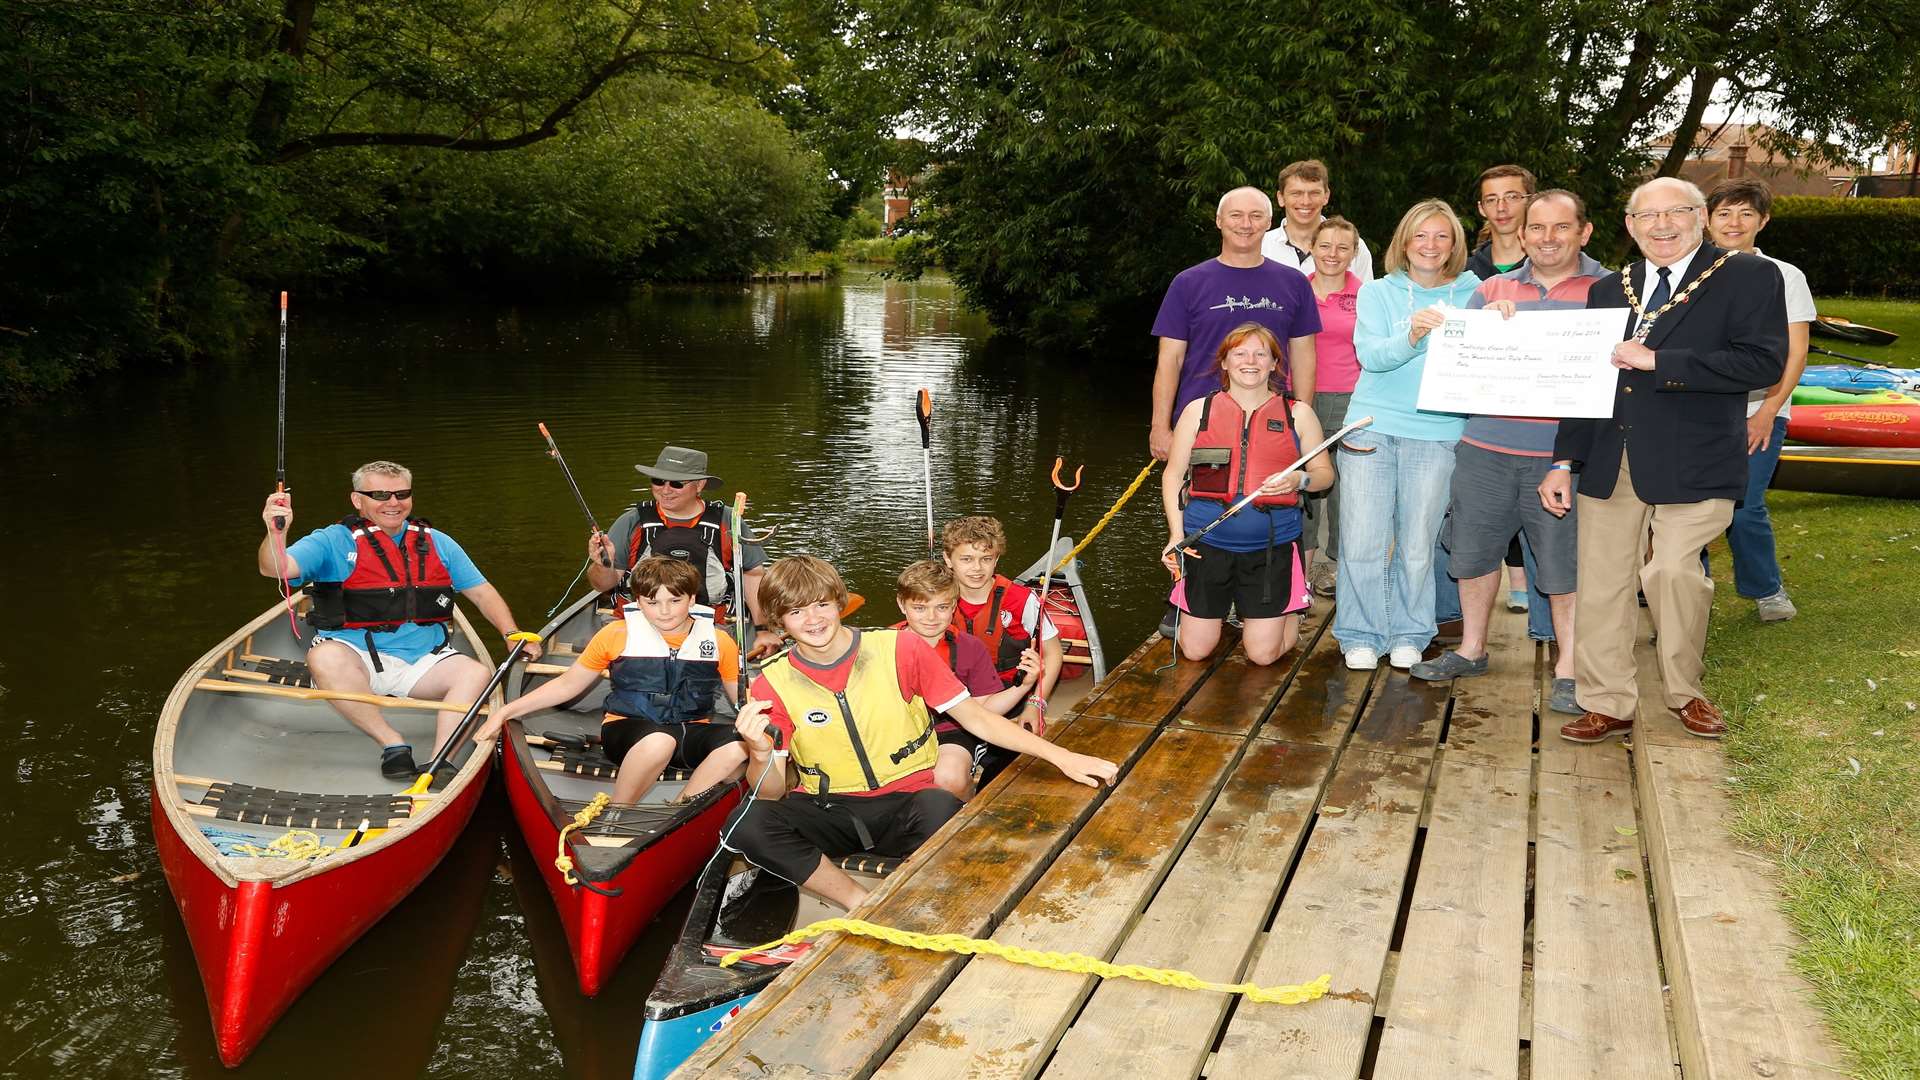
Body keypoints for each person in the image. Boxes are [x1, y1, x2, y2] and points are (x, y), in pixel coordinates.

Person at [1542, 176, 1787, 743]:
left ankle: (1685, 691)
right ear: (1630, 226)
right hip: (1611, 457)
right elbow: (1587, 385)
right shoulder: (1609, 289)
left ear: (1700, 217)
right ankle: (1607, 702)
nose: (1662, 225)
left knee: (1673, 571)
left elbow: (1761, 365)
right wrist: (1562, 461)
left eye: (1675, 212)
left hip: (1697, 457)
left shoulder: (1747, 276)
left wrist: (1660, 361)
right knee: (1602, 585)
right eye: (1647, 216)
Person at [726, 556, 1118, 909]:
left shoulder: (901, 647)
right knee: (745, 821)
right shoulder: (771, 683)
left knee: (943, 805)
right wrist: (760, 754)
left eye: (822, 605)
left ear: (839, 602)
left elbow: (977, 719)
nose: (813, 621)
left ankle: (922, 891)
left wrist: (1063, 757)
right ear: (780, 620)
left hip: (907, 802)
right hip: (831, 810)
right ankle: (861, 903)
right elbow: (771, 792)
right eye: (796, 612)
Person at [1413, 190, 1606, 714]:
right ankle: (1473, 649)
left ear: (1583, 232)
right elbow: (1458, 363)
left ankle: (1568, 667)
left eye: (1561, 227)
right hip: (1484, 447)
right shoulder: (1492, 288)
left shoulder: (1609, 291)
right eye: (1537, 229)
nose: (1548, 238)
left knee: (1562, 565)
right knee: (1473, 554)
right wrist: (1479, 328)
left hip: (1560, 458)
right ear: (1522, 235)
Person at [257, 461, 540, 780]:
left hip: (422, 661)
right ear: (357, 500)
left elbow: (482, 593)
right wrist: (275, 532)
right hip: (356, 658)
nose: (393, 503)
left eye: (401, 494)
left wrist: (511, 633)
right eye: (379, 494)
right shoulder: (332, 540)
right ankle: (392, 742)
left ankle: (440, 761)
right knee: (323, 656)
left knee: (476, 674)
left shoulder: (437, 542)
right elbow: (275, 568)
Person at [1334, 199, 1482, 671]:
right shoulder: (1378, 292)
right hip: (1372, 429)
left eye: (1442, 236)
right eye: (1421, 235)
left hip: (1438, 431)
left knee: (1418, 542)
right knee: (1362, 539)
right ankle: (1359, 633)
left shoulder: (1474, 290)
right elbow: (1373, 356)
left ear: (1455, 244)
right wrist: (1413, 336)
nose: (1431, 245)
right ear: (1404, 242)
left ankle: (1410, 632)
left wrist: (1503, 311)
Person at [473, 557, 748, 805]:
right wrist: (505, 712)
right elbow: (568, 685)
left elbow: (741, 699)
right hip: (627, 730)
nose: (664, 611)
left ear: (692, 601)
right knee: (660, 742)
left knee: (740, 747)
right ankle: (619, 808)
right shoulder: (615, 634)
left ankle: (680, 808)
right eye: (652, 602)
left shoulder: (718, 640)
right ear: (638, 602)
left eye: (675, 601)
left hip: (689, 733)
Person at [1162, 322, 1334, 665]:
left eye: (1260, 353)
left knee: (1262, 656)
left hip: (1271, 549)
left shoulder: (1298, 413)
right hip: (1206, 546)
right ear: (1224, 362)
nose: (1250, 361)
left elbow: (1324, 476)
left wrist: (1299, 480)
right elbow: (1172, 475)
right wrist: (1176, 535)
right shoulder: (1199, 411)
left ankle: (1290, 612)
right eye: (1239, 353)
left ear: (1274, 363)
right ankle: (1222, 611)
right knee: (1195, 650)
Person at [1703, 177, 1814, 622]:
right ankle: (1690, 591)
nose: (1734, 222)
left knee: (1745, 505)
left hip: (1757, 409)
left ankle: (1765, 589)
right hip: (1698, 410)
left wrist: (1769, 410)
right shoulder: (1690, 273)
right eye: (1724, 213)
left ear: (1763, 221)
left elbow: (1797, 350)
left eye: (1746, 213)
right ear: (1707, 219)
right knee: (1689, 507)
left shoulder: (1785, 276)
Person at [1149, 186, 1322, 460]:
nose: (1245, 224)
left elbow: (1304, 356)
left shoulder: (1295, 283)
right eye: (1236, 215)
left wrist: (1300, 425)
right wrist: (1160, 427)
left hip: (1272, 424)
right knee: (1197, 503)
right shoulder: (1187, 283)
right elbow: (1170, 360)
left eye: (1255, 216)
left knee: (1270, 502)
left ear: (1268, 222)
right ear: (1219, 221)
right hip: (1199, 423)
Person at [585, 444, 781, 658]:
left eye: (677, 483)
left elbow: (753, 576)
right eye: (658, 481)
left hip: (707, 625)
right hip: (636, 623)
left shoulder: (729, 520)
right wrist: (602, 564)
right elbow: (602, 585)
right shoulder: (632, 521)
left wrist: (763, 630)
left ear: (700, 485)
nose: (665, 490)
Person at [893, 559, 1039, 799]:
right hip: (899, 730)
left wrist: (1023, 686)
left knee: (949, 779)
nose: (931, 617)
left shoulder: (970, 647)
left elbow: (984, 709)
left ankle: (963, 809)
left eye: (941, 607)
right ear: (902, 605)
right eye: (920, 608)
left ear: (954, 606)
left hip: (954, 730)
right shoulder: (882, 643)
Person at [941, 515, 1060, 733]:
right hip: (954, 696)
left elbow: (1053, 653)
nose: (977, 568)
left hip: (1009, 693)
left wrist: (1036, 704)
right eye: (966, 559)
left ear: (996, 560)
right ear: (948, 560)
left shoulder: (1022, 600)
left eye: (986, 559)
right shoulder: (936, 600)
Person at [1304, 216, 1365, 597]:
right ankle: (1302, 573)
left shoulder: (1368, 295)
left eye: (1343, 247)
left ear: (1354, 253)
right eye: (1325, 245)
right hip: (1303, 400)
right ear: (1312, 248)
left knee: (1347, 492)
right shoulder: (1296, 290)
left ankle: (1339, 570)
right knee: (1306, 487)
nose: (1333, 254)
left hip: (1351, 401)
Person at [1260, 159, 1377, 283]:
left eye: (1314, 193)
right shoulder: (1261, 246)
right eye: (1296, 193)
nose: (1305, 202)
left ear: (1326, 196)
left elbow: (1366, 299)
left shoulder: (1353, 246)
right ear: (1281, 198)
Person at [1464, 164, 1537, 280]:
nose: (1501, 208)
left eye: (1512, 197)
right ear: (1481, 208)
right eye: (1491, 200)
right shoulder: (1463, 275)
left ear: (1532, 202)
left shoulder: (1550, 269)